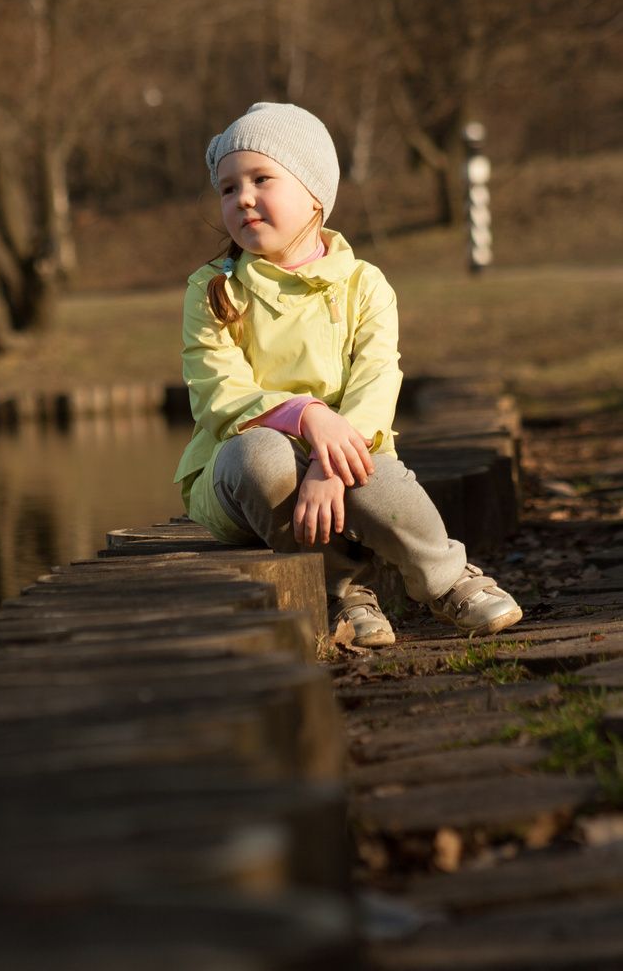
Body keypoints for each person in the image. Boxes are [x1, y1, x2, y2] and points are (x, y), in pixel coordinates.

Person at [174, 102, 522, 648]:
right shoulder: (213, 290)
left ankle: (447, 578)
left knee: (376, 472)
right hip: (240, 477)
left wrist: (331, 461)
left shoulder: (364, 285)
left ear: (315, 194)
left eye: (261, 179)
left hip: (347, 452)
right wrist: (309, 417)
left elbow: (377, 381)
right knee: (262, 457)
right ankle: (342, 592)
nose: (242, 198)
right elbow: (219, 392)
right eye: (228, 188)